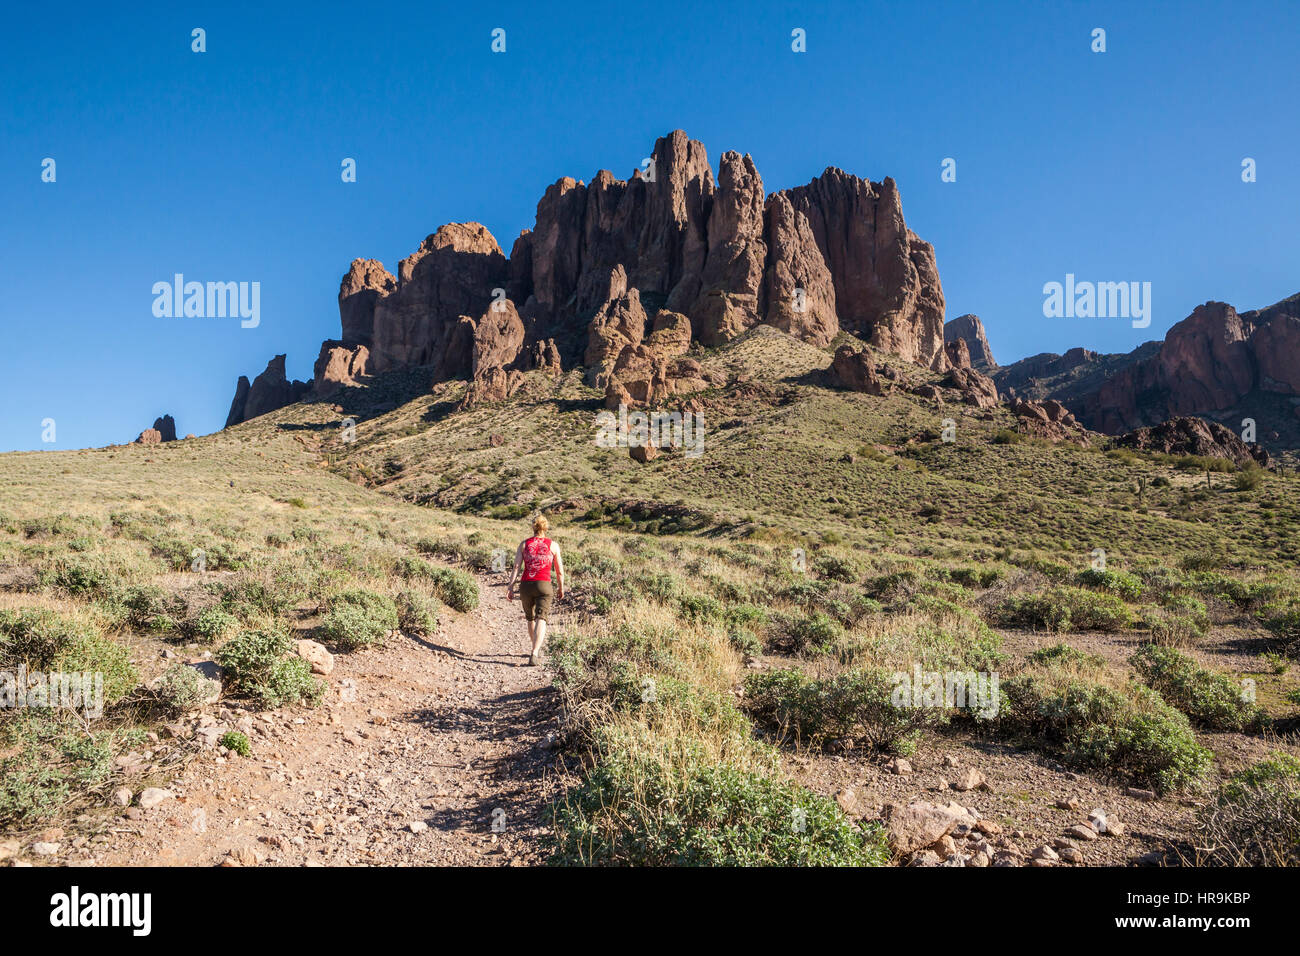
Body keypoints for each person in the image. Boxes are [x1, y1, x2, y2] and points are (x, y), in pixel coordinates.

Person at [506, 514, 564, 666]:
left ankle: (534, 648)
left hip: (526, 584)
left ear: (533, 527)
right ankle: (535, 652)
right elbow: (559, 571)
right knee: (541, 618)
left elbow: (516, 566)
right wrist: (561, 587)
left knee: (530, 618)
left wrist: (510, 586)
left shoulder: (524, 544)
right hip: (544, 584)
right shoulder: (553, 545)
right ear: (546, 527)